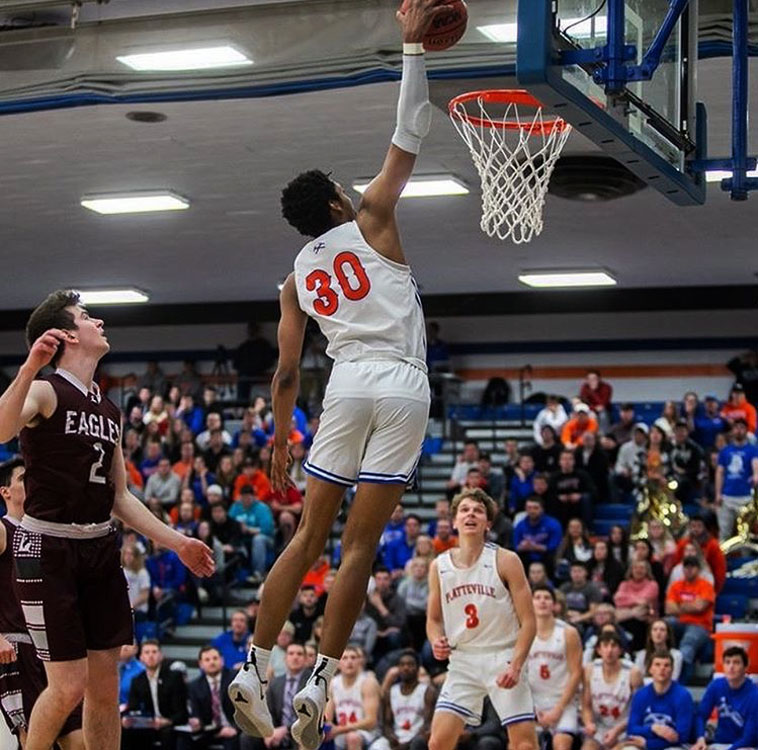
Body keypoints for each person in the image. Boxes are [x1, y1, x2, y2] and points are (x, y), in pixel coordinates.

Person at [228, 9, 445, 742]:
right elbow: (410, 126)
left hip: (344, 385)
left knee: (307, 536)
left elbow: (288, 371)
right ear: (335, 205)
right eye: (347, 194)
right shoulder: (375, 217)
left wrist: (282, 439)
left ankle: (255, 668)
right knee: (359, 548)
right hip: (404, 385)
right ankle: (321, 677)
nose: (357, 195)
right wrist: (413, 46)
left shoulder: (294, 278)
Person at [0, 290, 214, 750]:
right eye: (86, 317)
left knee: (104, 685)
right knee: (68, 686)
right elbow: (0, 428)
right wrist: (27, 368)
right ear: (67, 335)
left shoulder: (109, 409)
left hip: (98, 545)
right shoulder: (44, 389)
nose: (98, 322)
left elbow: (120, 497)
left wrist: (178, 542)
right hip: (48, 548)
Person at [426, 488, 538, 750]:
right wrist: (435, 640)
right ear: (454, 521)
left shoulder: (506, 560)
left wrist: (516, 665)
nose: (470, 515)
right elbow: (432, 620)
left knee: (524, 745)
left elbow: (529, 622)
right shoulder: (439, 566)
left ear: (488, 523)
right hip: (463, 658)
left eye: (478, 511)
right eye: (464, 510)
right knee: (437, 742)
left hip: (503, 655)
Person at [0, 457, 84, 748]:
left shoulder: (45, 531)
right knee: (35, 741)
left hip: (54, 651)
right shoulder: (2, 529)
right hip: (18, 648)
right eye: (23, 478)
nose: (31, 481)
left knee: (79, 741)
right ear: (5, 491)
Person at [527, 586, 582, 750]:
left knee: (562, 744)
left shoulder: (569, 633)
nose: (542, 601)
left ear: (555, 605)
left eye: (547, 598)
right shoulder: (523, 632)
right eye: (537, 597)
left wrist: (558, 709)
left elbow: (576, 673)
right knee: (520, 745)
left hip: (562, 702)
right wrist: (532, 709)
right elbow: (519, 674)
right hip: (533, 703)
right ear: (530, 602)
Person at [122, 639, 189, 750]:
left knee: (167, 734)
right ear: (141, 658)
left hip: (170, 723)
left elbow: (182, 712)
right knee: (126, 731)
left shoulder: (174, 677)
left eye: (154, 652)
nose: (151, 656)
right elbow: (133, 707)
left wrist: (167, 721)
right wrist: (126, 719)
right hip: (147, 725)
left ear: (161, 656)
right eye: (147, 652)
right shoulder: (137, 680)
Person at [581, 632, 642, 750]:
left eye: (613, 646)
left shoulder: (633, 672)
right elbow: (586, 705)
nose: (609, 650)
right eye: (605, 646)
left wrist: (617, 730)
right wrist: (589, 723)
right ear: (598, 650)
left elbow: (638, 712)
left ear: (620, 650)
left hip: (625, 728)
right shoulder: (590, 669)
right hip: (599, 728)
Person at [692, 646, 758, 750]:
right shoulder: (716, 685)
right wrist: (700, 738)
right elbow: (701, 715)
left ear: (745, 667)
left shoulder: (754, 694)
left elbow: (750, 737)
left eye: (736, 662)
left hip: (745, 746)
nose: (731, 667)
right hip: (720, 743)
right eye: (727, 662)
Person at [626, 650, 694, 750]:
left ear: (672, 670)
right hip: (643, 743)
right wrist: (653, 728)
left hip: (672, 747)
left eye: (666, 665)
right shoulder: (641, 695)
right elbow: (631, 729)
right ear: (650, 669)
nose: (662, 668)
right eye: (657, 665)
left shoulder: (683, 696)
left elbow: (682, 736)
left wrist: (649, 744)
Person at [664, 555, 715, 685]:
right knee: (661, 626)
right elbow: (669, 609)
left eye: (692, 567)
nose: (689, 570)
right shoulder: (676, 585)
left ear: (698, 569)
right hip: (679, 622)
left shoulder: (706, 585)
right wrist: (691, 606)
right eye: (686, 567)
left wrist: (679, 606)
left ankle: (682, 682)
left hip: (700, 625)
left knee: (687, 644)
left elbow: (700, 607)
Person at [375, 649, 435, 750]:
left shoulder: (427, 691)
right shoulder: (391, 692)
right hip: (397, 738)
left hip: (417, 739)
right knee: (377, 746)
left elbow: (428, 725)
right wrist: (391, 737)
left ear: (417, 668)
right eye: (402, 665)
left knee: (418, 743)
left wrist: (406, 745)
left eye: (410, 664)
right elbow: (386, 724)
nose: (406, 668)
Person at [324, 645, 381, 749]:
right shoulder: (333, 683)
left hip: (368, 733)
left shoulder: (368, 682)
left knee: (352, 738)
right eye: (345, 658)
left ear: (360, 662)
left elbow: (371, 721)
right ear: (338, 664)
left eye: (353, 657)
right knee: (313, 737)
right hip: (342, 731)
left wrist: (339, 729)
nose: (349, 661)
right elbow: (328, 717)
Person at [261, 641, 312, 750]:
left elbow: (309, 717)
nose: (295, 657)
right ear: (285, 659)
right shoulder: (275, 683)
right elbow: (269, 711)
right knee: (247, 737)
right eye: (291, 653)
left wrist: (286, 730)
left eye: (299, 654)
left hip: (301, 731)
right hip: (277, 730)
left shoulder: (312, 683)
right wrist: (270, 732)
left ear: (306, 659)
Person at [187, 646, 239, 750]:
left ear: (222, 660)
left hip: (233, 728)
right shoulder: (194, 686)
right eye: (207, 660)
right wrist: (196, 722)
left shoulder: (235, 678)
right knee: (185, 740)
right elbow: (196, 713)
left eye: (215, 658)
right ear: (201, 664)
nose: (212, 662)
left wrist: (235, 728)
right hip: (210, 731)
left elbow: (246, 710)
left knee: (234, 742)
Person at [715, 418, 758, 541]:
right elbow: (719, 473)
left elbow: (756, 465)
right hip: (727, 497)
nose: (739, 430)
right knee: (724, 533)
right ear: (732, 431)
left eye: (742, 428)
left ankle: (745, 559)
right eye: (736, 427)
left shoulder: (752, 450)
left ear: (746, 430)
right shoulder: (725, 451)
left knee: (745, 533)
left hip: (745, 497)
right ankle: (722, 559)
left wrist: (755, 476)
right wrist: (718, 494)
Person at [512, 496, 562, 578]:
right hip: (527, 557)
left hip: (546, 558)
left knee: (551, 557)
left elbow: (554, 546)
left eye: (535, 508)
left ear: (542, 509)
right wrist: (524, 546)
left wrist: (535, 547)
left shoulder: (553, 524)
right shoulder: (520, 525)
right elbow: (516, 546)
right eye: (529, 508)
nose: (532, 511)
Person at [547, 450, 596, 528]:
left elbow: (593, 491)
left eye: (570, 459)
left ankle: (588, 529)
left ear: (574, 461)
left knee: (586, 498)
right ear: (560, 462)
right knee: (552, 501)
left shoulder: (582, 475)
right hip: (560, 505)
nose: (567, 462)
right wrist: (558, 497)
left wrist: (580, 495)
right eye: (564, 459)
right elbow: (548, 493)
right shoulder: (554, 477)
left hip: (578, 505)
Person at [634, 620, 682, 685]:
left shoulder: (676, 655)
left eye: (662, 630)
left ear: (668, 635)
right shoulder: (641, 655)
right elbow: (638, 679)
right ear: (650, 635)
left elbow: (674, 678)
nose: (658, 633)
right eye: (655, 630)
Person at [560, 561, 602, 627]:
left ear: (586, 573)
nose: (576, 574)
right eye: (574, 571)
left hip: (585, 621)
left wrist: (579, 617)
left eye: (579, 571)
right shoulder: (564, 587)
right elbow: (558, 606)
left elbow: (593, 611)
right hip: (566, 617)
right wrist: (568, 613)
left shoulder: (592, 588)